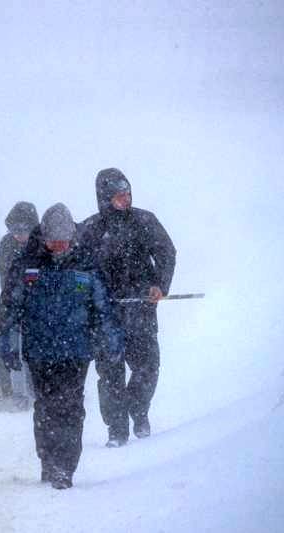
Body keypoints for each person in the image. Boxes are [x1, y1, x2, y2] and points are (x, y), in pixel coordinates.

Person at [0, 203, 123, 489]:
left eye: (64, 241)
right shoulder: (27, 264)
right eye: (53, 241)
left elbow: (103, 309)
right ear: (44, 238)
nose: (59, 247)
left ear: (72, 239)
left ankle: (65, 467)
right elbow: (10, 307)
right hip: (39, 352)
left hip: (76, 352)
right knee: (45, 408)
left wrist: (111, 343)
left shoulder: (87, 265)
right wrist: (7, 345)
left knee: (71, 407)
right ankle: (48, 460)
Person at [81, 168, 176, 447]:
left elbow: (166, 252)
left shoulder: (145, 221)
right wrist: (88, 300)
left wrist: (160, 285)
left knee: (147, 366)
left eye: (128, 194)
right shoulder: (90, 230)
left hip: (141, 309)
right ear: (104, 197)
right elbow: (79, 271)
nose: (125, 199)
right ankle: (117, 429)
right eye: (119, 196)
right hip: (105, 315)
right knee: (110, 373)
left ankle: (138, 410)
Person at [0, 201, 39, 410]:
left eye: (24, 230)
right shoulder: (6, 245)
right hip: (15, 304)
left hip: (42, 305)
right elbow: (6, 278)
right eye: (15, 230)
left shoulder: (44, 243)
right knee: (13, 344)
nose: (19, 235)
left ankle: (40, 389)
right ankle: (17, 392)